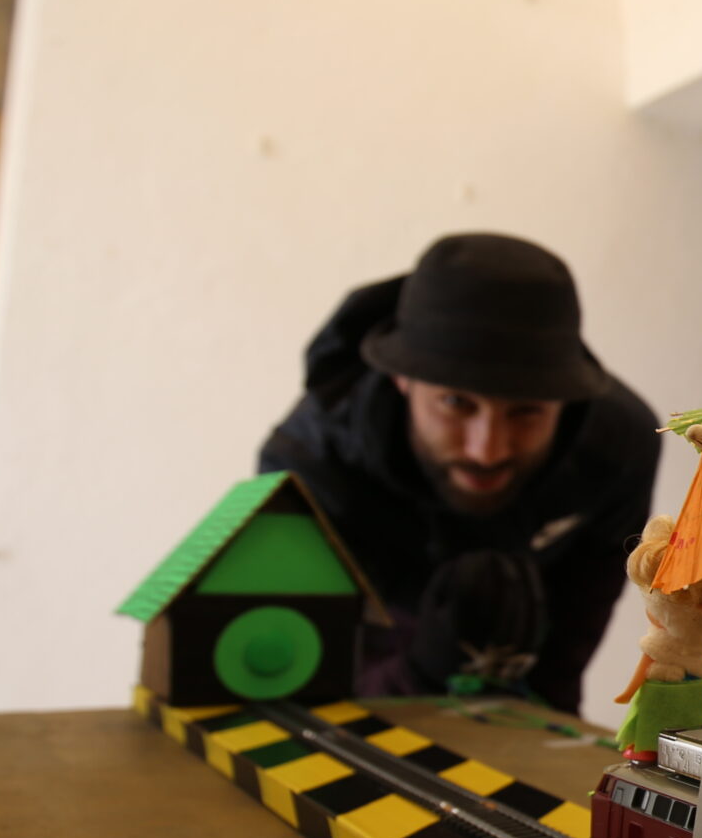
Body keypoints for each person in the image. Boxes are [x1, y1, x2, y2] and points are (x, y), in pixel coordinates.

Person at [258, 233, 660, 713]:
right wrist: (418, 676)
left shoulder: (617, 451)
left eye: (526, 411)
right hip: (370, 673)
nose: (486, 450)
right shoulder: (311, 463)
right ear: (401, 378)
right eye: (455, 403)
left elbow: (562, 663)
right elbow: (305, 682)